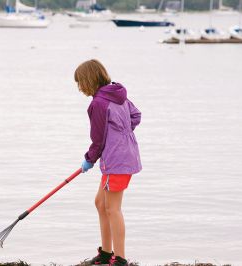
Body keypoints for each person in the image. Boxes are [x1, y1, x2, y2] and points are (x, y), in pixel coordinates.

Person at [74, 59, 142, 266]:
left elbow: (98, 140)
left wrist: (89, 160)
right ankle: (105, 253)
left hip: (116, 160)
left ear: (88, 80)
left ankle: (119, 259)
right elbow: (136, 116)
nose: (79, 88)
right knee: (100, 203)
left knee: (112, 208)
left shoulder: (98, 104)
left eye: (79, 83)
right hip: (122, 157)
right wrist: (121, 134)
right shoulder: (117, 95)